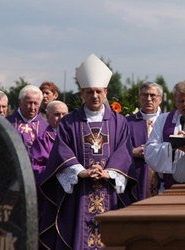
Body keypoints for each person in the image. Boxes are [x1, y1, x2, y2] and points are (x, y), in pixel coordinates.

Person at [39, 54, 138, 249]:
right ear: (82, 93)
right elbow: (61, 151)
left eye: (98, 91)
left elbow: (124, 153)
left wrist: (109, 172)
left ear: (106, 93)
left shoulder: (120, 122)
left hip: (109, 191)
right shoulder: (69, 122)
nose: (95, 96)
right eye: (90, 91)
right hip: (78, 194)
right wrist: (80, 171)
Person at [30, 100, 68, 225]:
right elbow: (34, 168)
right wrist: (56, 173)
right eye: (57, 114)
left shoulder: (74, 136)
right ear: (47, 117)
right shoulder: (43, 140)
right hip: (51, 193)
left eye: (64, 114)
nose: (61, 118)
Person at [126, 81, 163, 200]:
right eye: (145, 95)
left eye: (153, 95)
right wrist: (132, 151)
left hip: (162, 176)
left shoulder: (168, 121)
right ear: (139, 98)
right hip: (137, 176)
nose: (148, 99)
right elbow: (116, 147)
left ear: (160, 99)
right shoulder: (127, 122)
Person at [6, 85, 48, 151]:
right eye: (29, 103)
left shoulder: (46, 127)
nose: (32, 108)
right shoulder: (7, 123)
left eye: (36, 103)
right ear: (20, 102)